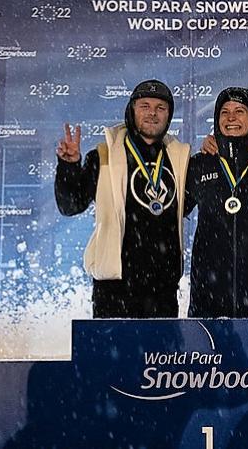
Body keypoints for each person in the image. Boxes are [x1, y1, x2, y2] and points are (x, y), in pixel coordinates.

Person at [55, 80, 190, 318]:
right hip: (114, 290)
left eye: (161, 108)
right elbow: (70, 205)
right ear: (132, 110)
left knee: (162, 356)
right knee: (112, 356)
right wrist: (69, 167)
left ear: (169, 115)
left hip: (163, 292)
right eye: (145, 106)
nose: (152, 113)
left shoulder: (179, 158)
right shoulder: (103, 154)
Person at [185, 87, 248, 318]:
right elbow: (169, 210)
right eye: (225, 112)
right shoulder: (200, 165)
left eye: (240, 111)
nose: (231, 118)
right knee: (210, 353)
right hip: (209, 292)